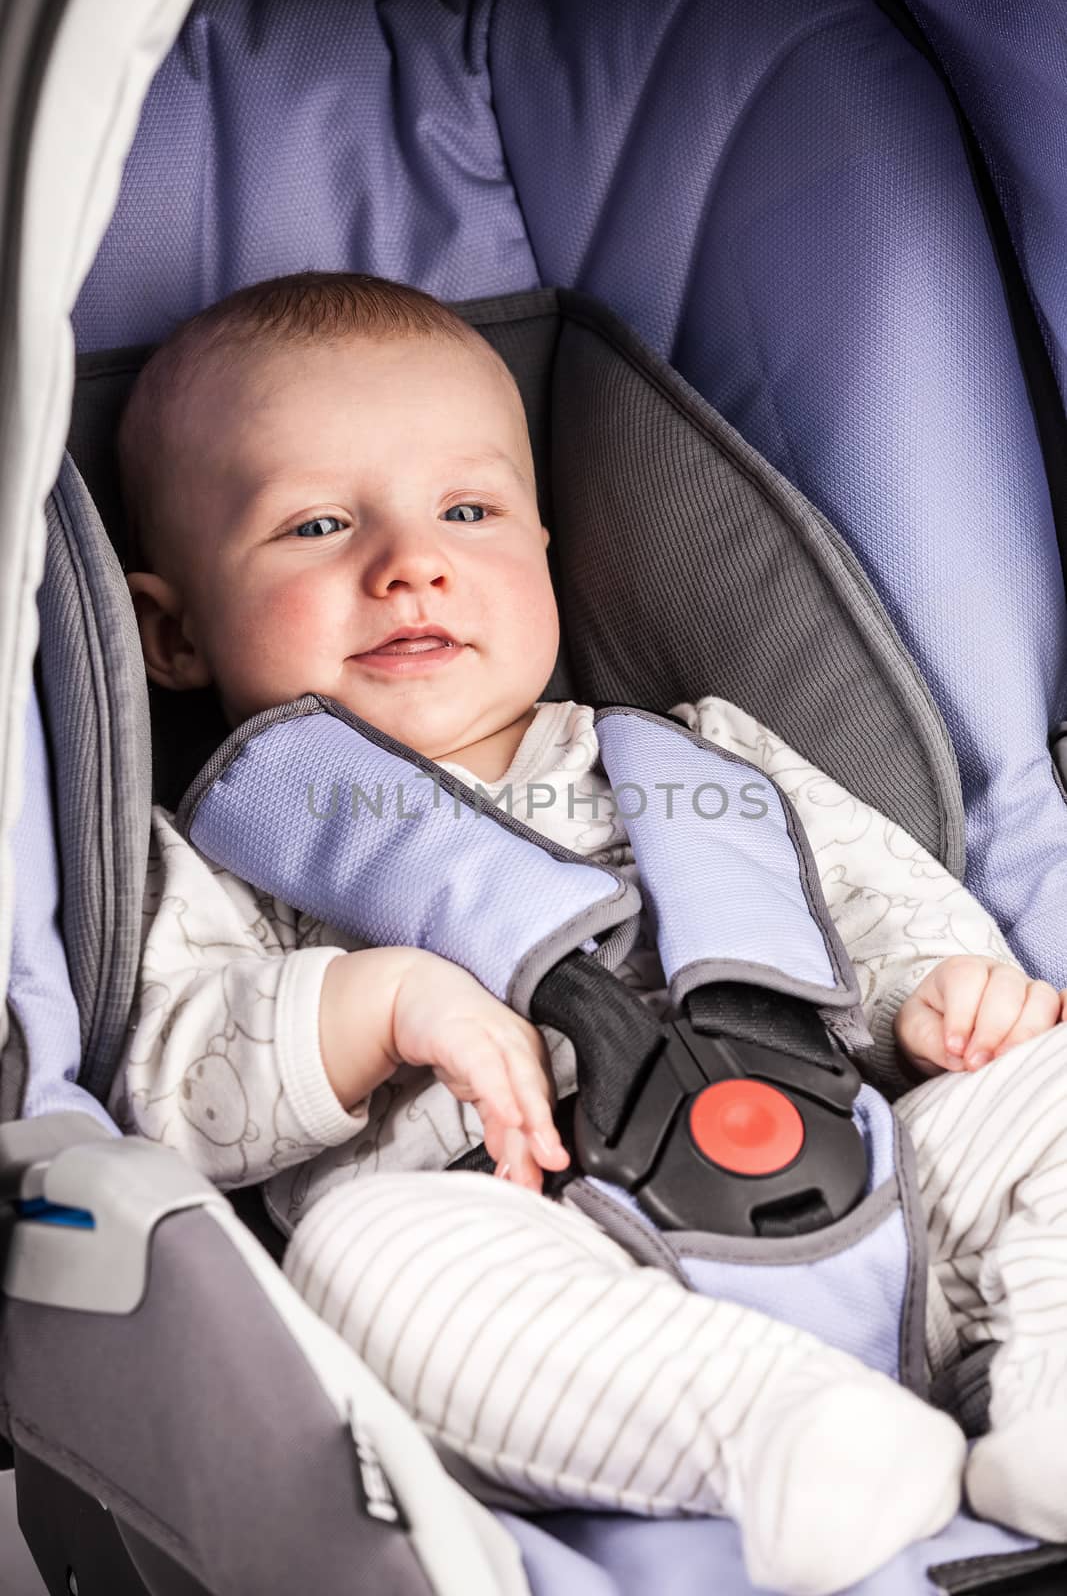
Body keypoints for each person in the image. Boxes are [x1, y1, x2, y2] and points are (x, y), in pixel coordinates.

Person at [114, 269, 1067, 1596]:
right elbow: (170, 1095)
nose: (411, 561)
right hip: (562, 1287)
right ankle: (785, 1434)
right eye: (320, 524)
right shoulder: (227, 851)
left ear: (545, 550)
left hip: (883, 1197)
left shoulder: (702, 759)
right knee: (362, 1258)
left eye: (467, 510)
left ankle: (1053, 1389)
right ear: (168, 633)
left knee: (1052, 1092)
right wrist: (369, 1011)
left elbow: (889, 916)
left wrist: (947, 1001)